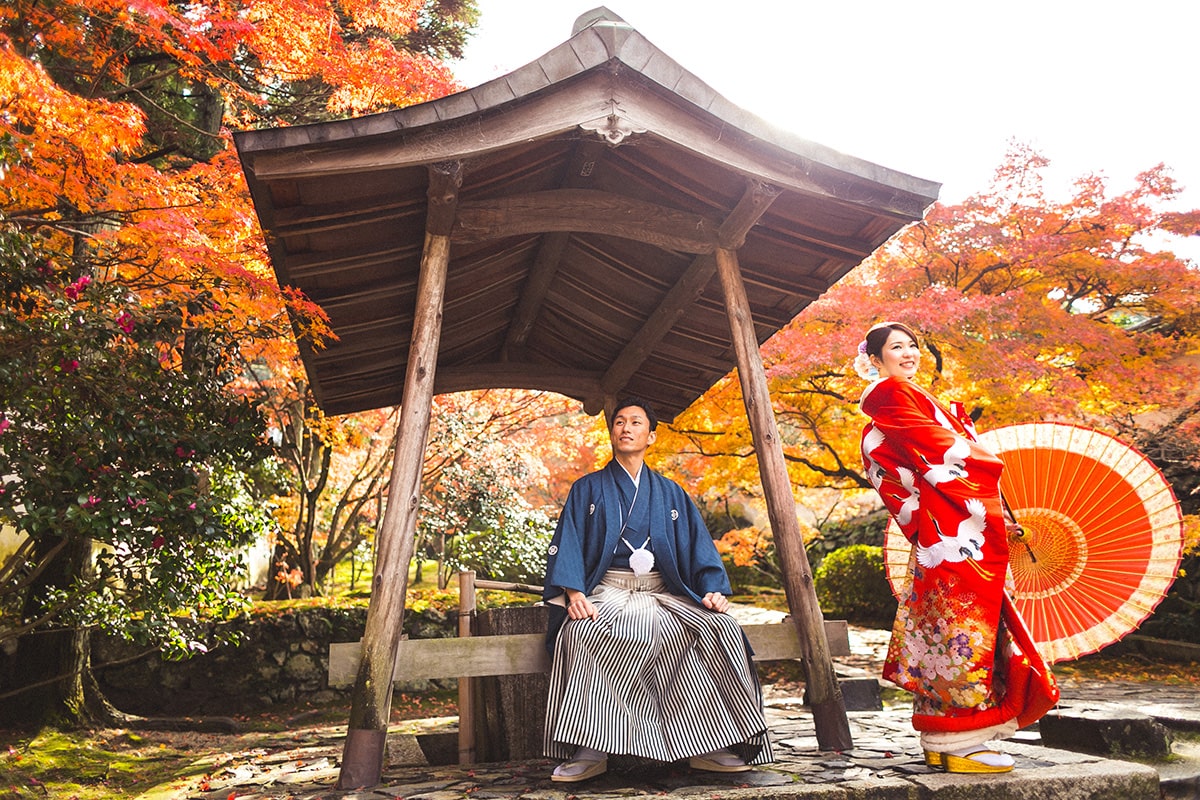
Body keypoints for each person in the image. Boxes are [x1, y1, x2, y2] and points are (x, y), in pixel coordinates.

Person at [854, 322, 1059, 774]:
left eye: (912, 346)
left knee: (945, 632)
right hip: (952, 535)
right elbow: (946, 456)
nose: (908, 354)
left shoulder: (899, 405)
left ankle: (944, 736)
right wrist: (980, 456)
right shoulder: (892, 397)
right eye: (895, 348)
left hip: (943, 534)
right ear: (873, 359)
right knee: (963, 635)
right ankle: (962, 739)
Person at [540, 397, 772, 782]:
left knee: (721, 629)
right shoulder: (588, 488)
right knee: (582, 632)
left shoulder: (671, 493)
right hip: (608, 591)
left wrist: (713, 589)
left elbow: (700, 546)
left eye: (635, 422)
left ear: (651, 435)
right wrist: (574, 592)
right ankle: (591, 746)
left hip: (664, 591)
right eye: (619, 422)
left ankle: (711, 744)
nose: (625, 428)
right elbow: (568, 542)